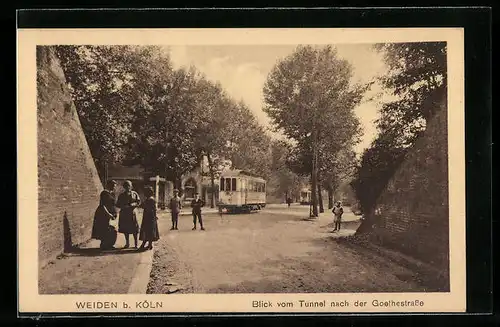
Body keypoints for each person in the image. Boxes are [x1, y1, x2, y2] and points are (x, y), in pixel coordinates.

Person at [91, 180, 118, 250]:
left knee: (112, 229)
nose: (114, 188)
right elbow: (102, 205)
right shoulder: (104, 193)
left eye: (114, 186)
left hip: (111, 214)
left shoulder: (113, 194)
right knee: (104, 229)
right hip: (103, 213)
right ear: (109, 185)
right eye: (112, 186)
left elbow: (114, 204)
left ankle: (110, 244)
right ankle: (103, 245)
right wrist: (108, 214)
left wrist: (115, 213)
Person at [116, 180, 140, 248]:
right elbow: (118, 204)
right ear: (124, 187)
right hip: (124, 214)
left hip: (132, 213)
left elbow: (138, 202)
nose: (128, 187)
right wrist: (123, 206)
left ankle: (136, 244)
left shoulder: (134, 194)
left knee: (134, 229)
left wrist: (133, 204)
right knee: (126, 229)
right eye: (126, 186)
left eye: (129, 186)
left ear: (131, 186)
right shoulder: (121, 195)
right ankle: (127, 243)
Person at [139, 186, 160, 250]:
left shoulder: (150, 200)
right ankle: (149, 245)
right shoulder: (150, 199)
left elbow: (145, 207)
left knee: (147, 230)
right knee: (150, 231)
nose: (144, 194)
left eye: (145, 192)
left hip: (149, 217)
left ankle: (144, 245)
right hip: (150, 217)